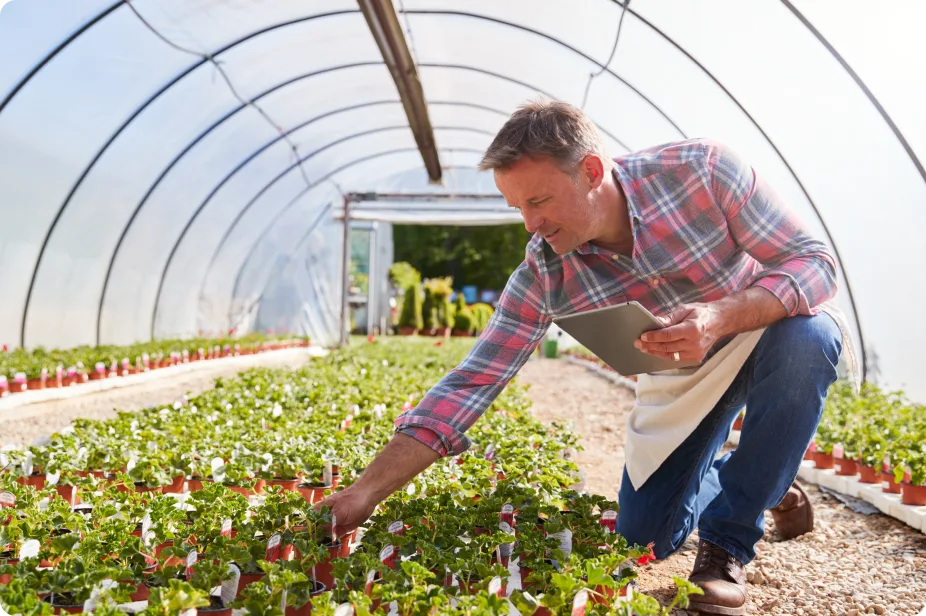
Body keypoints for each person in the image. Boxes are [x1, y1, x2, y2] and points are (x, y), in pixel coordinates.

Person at [319, 99, 855, 615]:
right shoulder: (545, 274)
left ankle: (727, 548)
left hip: (759, 326)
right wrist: (363, 492)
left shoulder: (704, 171)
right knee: (645, 538)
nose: (530, 225)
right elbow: (471, 384)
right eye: (517, 207)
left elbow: (816, 264)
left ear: (592, 171)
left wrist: (719, 316)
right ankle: (767, 477)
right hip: (677, 374)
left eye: (539, 201)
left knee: (810, 340)